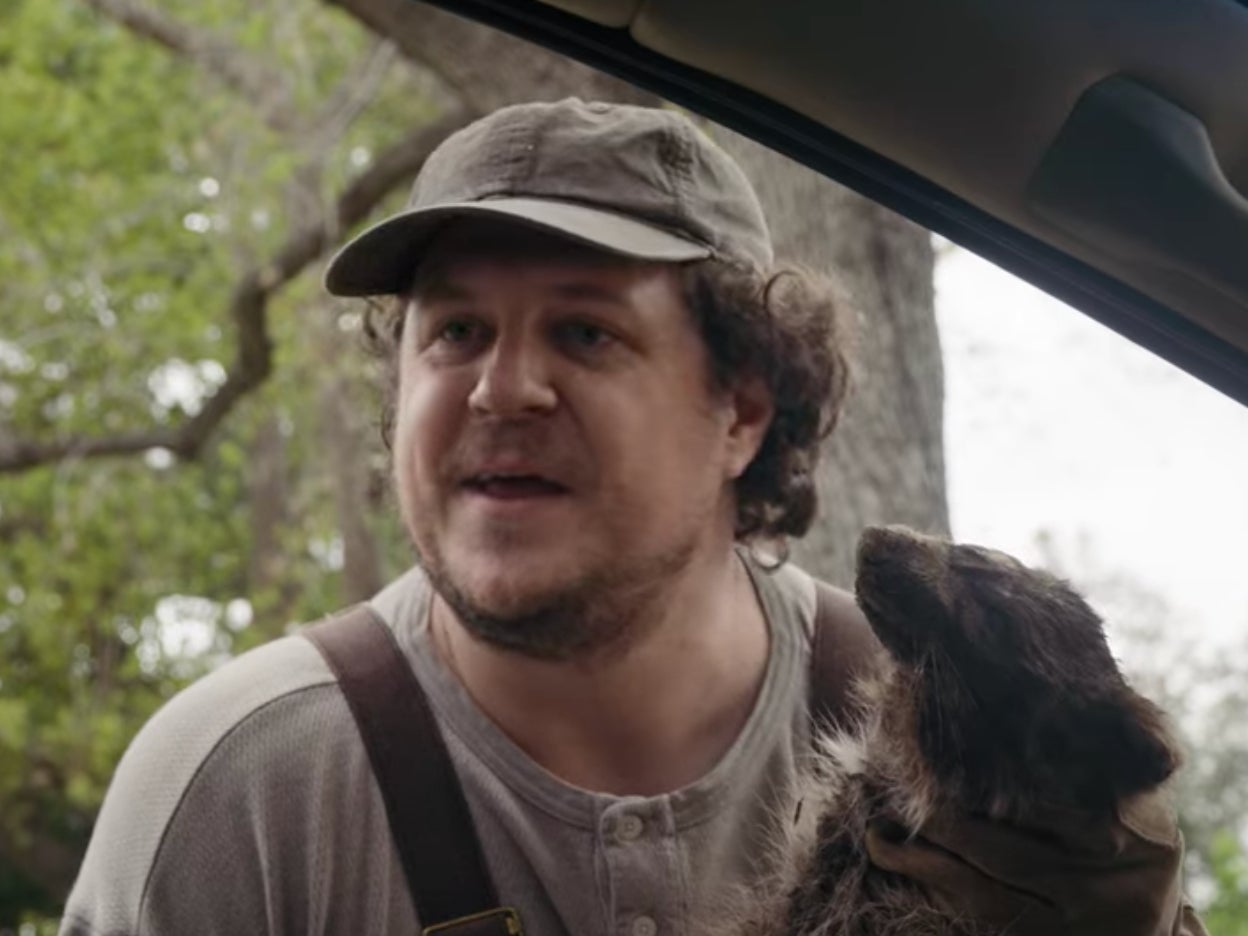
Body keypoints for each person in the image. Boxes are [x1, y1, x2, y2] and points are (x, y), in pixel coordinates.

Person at [61, 98, 1203, 936]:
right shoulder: (239, 793)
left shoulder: (955, 743)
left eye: (585, 332)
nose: (503, 387)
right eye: (453, 332)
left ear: (742, 409)